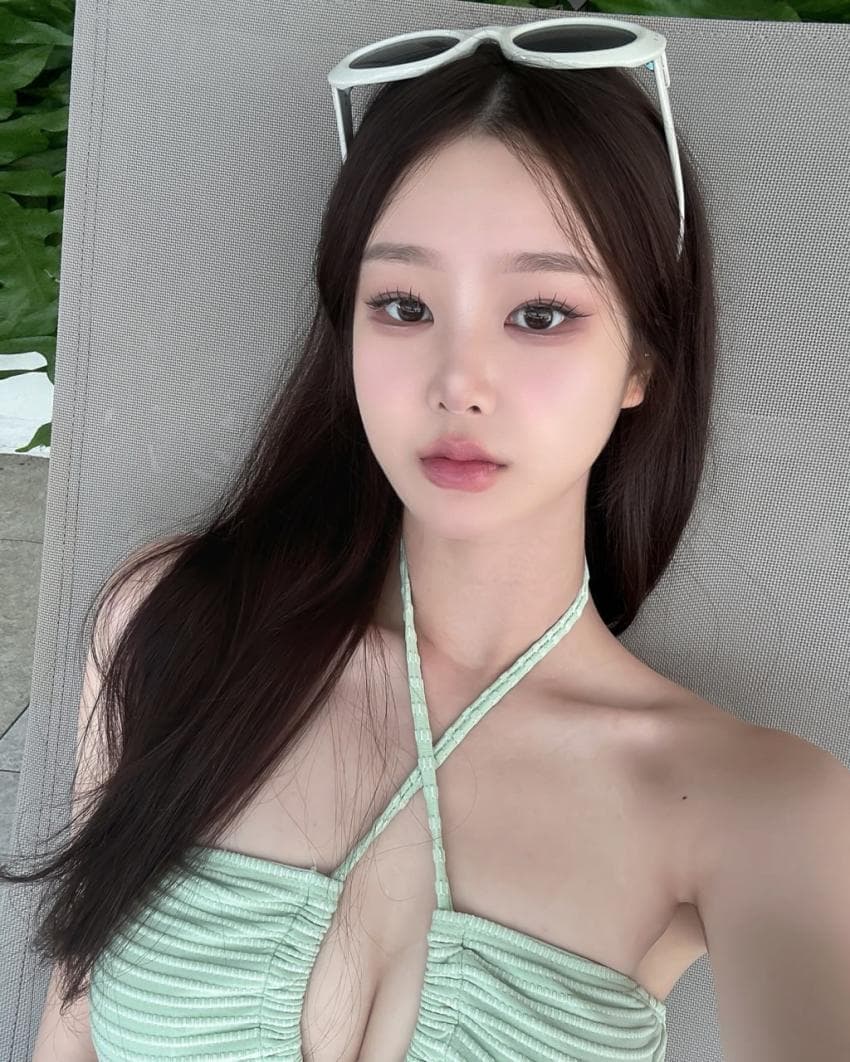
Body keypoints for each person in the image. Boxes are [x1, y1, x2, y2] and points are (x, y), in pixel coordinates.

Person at [21, 32, 722, 1062]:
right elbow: (70, 1025)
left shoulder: (731, 797)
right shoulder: (171, 626)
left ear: (643, 361)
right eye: (402, 306)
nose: (458, 382)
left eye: (540, 313)